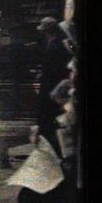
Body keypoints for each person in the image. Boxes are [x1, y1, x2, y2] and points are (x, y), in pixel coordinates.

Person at [33, 17, 72, 154]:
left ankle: (52, 141)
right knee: (47, 110)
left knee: (50, 110)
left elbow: (57, 65)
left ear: (47, 31)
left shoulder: (57, 45)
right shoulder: (50, 42)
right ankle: (47, 138)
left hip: (53, 81)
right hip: (49, 81)